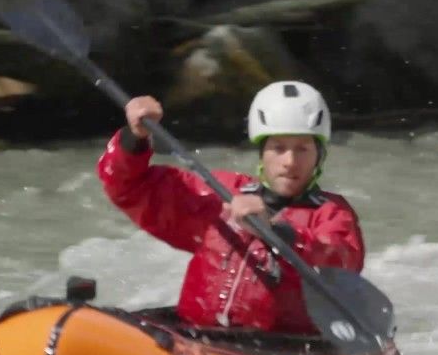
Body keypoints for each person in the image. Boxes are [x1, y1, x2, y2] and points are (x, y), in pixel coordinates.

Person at [96, 80, 365, 334]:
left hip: (276, 351)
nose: (290, 161)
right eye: (279, 147)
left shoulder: (332, 213)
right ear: (262, 152)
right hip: (194, 338)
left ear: (319, 154)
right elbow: (128, 186)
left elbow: (339, 260)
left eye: (302, 149)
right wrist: (135, 138)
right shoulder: (221, 194)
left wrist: (276, 231)